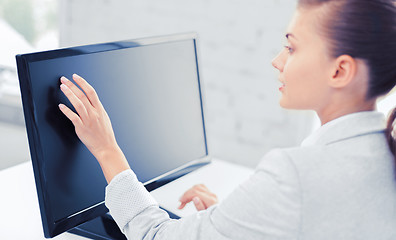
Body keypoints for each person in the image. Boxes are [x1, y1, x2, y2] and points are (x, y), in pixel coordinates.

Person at [58, 0, 396, 239]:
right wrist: (241, 222)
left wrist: (106, 149)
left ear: (340, 70)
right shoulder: (384, 154)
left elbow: (157, 236)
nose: (277, 61)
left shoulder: (296, 174)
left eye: (292, 48)